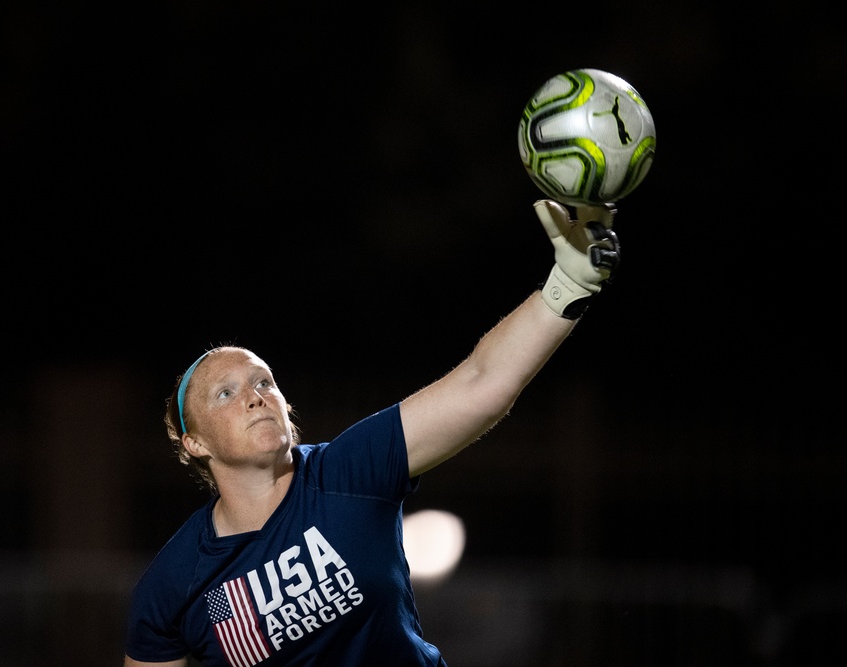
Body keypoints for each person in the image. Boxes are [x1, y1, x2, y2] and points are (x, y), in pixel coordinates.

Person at [123, 198, 621, 666]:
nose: (256, 395)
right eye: (225, 394)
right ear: (195, 443)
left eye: (263, 381)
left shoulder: (349, 472)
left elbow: (480, 384)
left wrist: (568, 283)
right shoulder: (173, 584)